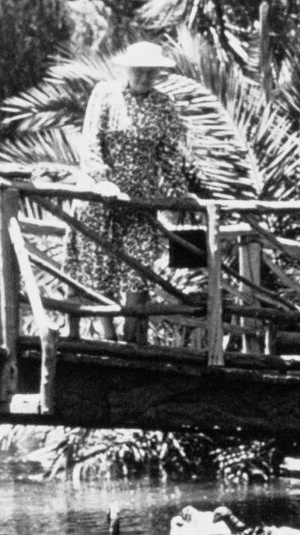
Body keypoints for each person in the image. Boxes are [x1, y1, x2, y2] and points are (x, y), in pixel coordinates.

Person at [65, 39, 207, 341]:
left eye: (150, 72)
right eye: (138, 71)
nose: (143, 77)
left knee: (138, 269)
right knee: (97, 265)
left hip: (141, 202)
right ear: (126, 69)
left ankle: (133, 339)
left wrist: (180, 192)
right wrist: (102, 181)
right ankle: (106, 335)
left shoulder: (164, 105)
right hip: (101, 197)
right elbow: (92, 143)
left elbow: (169, 154)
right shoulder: (105, 94)